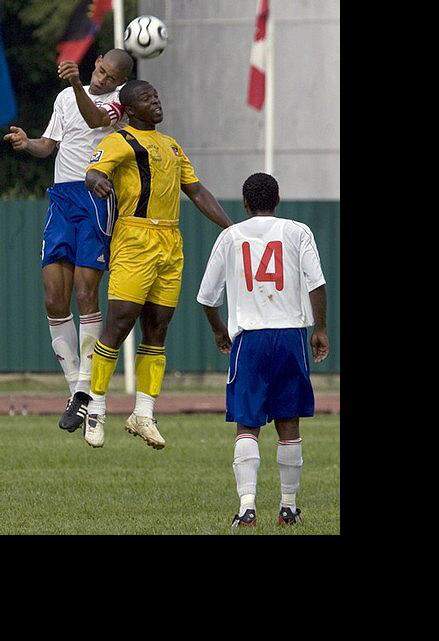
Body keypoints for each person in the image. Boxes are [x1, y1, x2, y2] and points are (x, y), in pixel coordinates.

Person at [84, 79, 233, 449]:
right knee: (119, 321)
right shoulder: (119, 140)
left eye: (157, 96)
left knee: (158, 328)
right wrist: (96, 181)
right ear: (131, 109)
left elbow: (195, 190)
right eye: (147, 98)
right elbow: (94, 172)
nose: (156, 101)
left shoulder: (171, 145)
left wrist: (230, 229)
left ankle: (144, 413)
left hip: (170, 240)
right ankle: (97, 407)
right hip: (135, 238)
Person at [3, 50, 134, 441]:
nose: (102, 78)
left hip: (94, 197)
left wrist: (77, 83)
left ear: (119, 82)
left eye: (110, 76)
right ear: (95, 63)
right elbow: (50, 145)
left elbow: (95, 119)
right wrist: (28, 144)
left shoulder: (116, 104)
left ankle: (87, 387)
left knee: (84, 292)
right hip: (61, 198)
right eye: (99, 70)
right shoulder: (64, 99)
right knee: (53, 298)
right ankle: (75, 389)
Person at [196, 173, 330, 528]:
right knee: (289, 422)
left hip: (249, 339)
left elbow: (207, 298)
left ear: (244, 203)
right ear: (278, 199)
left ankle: (247, 507)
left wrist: (219, 331)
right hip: (290, 337)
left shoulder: (230, 236)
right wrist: (320, 328)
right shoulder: (298, 231)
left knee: (247, 424)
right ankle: (288, 506)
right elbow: (316, 284)